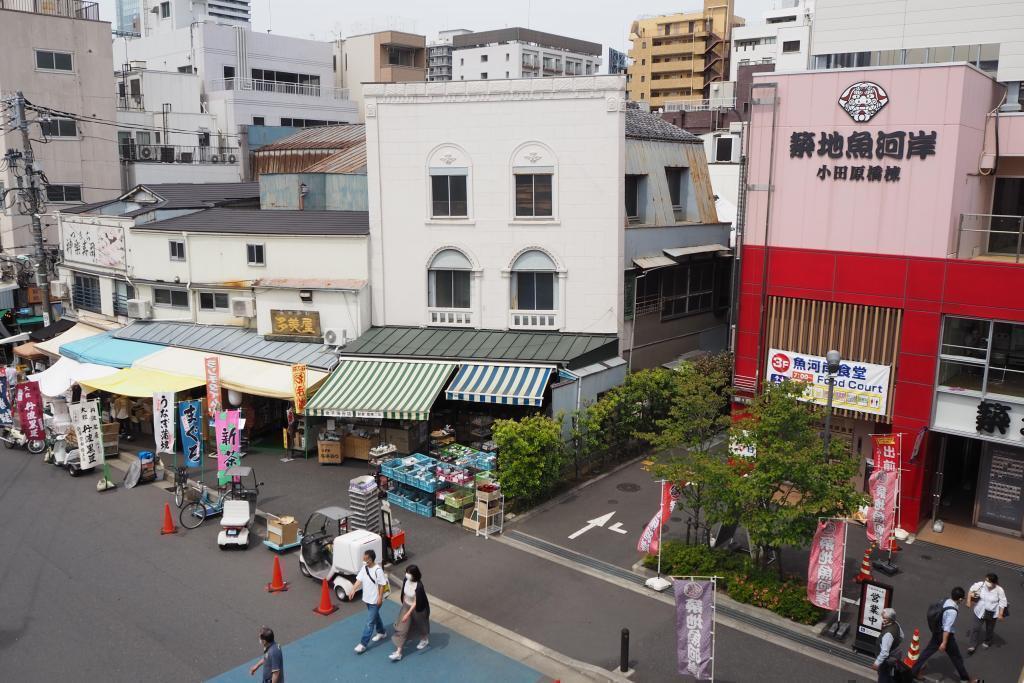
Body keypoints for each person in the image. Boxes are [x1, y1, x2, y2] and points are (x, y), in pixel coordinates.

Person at [912, 587, 980, 683]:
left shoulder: (946, 600)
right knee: (956, 657)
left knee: (927, 651)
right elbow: (947, 628)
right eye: (962, 598)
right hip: (945, 636)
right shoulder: (952, 611)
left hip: (937, 631)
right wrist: (944, 642)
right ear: (960, 599)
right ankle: (965, 679)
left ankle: (914, 671)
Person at [348, 549, 388, 653]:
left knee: (370, 622)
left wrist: (379, 598)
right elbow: (359, 580)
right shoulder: (364, 568)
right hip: (367, 598)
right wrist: (353, 589)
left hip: (375, 600)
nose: (363, 560)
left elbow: (382, 585)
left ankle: (363, 644)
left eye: (365, 559)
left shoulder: (378, 570)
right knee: (375, 616)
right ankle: (382, 632)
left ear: (370, 559)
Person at [389, 564, 431, 661]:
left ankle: (424, 639)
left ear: (414, 574)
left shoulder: (419, 586)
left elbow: (416, 602)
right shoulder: (405, 580)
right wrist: (404, 604)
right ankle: (398, 652)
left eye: (409, 573)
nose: (406, 574)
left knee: (421, 625)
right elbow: (404, 592)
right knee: (402, 628)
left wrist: (407, 614)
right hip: (407, 605)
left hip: (418, 608)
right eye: (406, 572)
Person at [967, 573, 1008, 655]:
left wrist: (1000, 613)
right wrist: (968, 601)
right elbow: (971, 590)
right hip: (979, 611)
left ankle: (988, 641)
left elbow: (1003, 602)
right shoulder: (981, 585)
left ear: (994, 582)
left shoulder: (999, 590)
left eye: (989, 581)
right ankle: (972, 645)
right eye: (986, 580)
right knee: (975, 628)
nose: (986, 582)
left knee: (989, 629)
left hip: (991, 613)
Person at [872, 607, 904, 683]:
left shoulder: (888, 634)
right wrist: (895, 644)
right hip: (894, 654)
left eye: (884, 618)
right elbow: (902, 636)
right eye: (882, 617)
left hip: (886, 659)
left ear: (890, 619)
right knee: (888, 673)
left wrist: (877, 663)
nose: (882, 620)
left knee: (883, 675)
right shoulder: (896, 624)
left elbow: (885, 652)